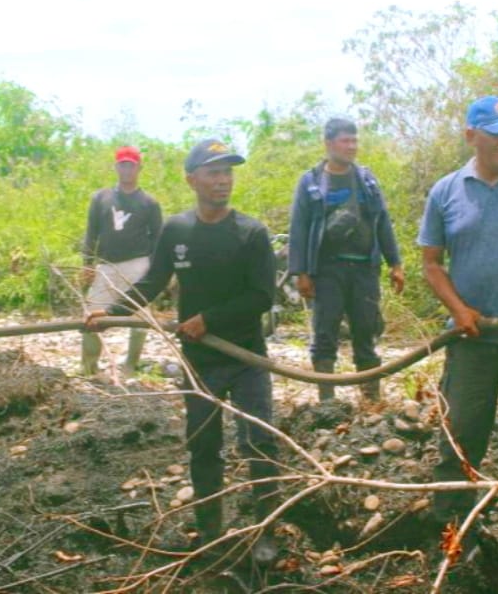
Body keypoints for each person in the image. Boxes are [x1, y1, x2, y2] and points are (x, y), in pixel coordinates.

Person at [85, 139, 280, 564]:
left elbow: (262, 296)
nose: (223, 180)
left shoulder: (251, 233)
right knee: (204, 446)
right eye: (213, 172)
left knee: (260, 443)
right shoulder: (178, 230)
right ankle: (211, 531)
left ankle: (267, 530)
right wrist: (110, 312)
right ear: (192, 179)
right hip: (199, 361)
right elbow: (154, 281)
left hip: (246, 359)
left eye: (227, 171)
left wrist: (209, 319)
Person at [418, 95, 498, 573]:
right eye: (497, 132)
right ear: (471, 136)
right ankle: (453, 530)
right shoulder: (447, 191)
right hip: (470, 346)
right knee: (462, 440)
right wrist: (458, 309)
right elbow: (430, 264)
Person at [288, 117, 404, 402]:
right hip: (327, 270)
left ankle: (371, 400)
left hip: (365, 268)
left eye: (355, 140)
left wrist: (395, 263)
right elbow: (299, 228)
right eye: (345, 141)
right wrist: (301, 272)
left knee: (366, 333)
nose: (352, 146)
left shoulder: (366, 180)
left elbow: (382, 222)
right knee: (325, 334)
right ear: (329, 144)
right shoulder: (312, 182)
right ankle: (327, 401)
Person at [81, 146, 162, 376]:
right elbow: (91, 233)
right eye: (123, 164)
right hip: (106, 265)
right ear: (116, 167)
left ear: (139, 168)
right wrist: (87, 263)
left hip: (138, 264)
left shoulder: (149, 203)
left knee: (139, 315)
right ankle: (88, 366)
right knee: (92, 312)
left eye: (131, 165)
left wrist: (156, 271)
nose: (127, 169)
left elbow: (158, 240)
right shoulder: (101, 198)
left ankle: (130, 365)